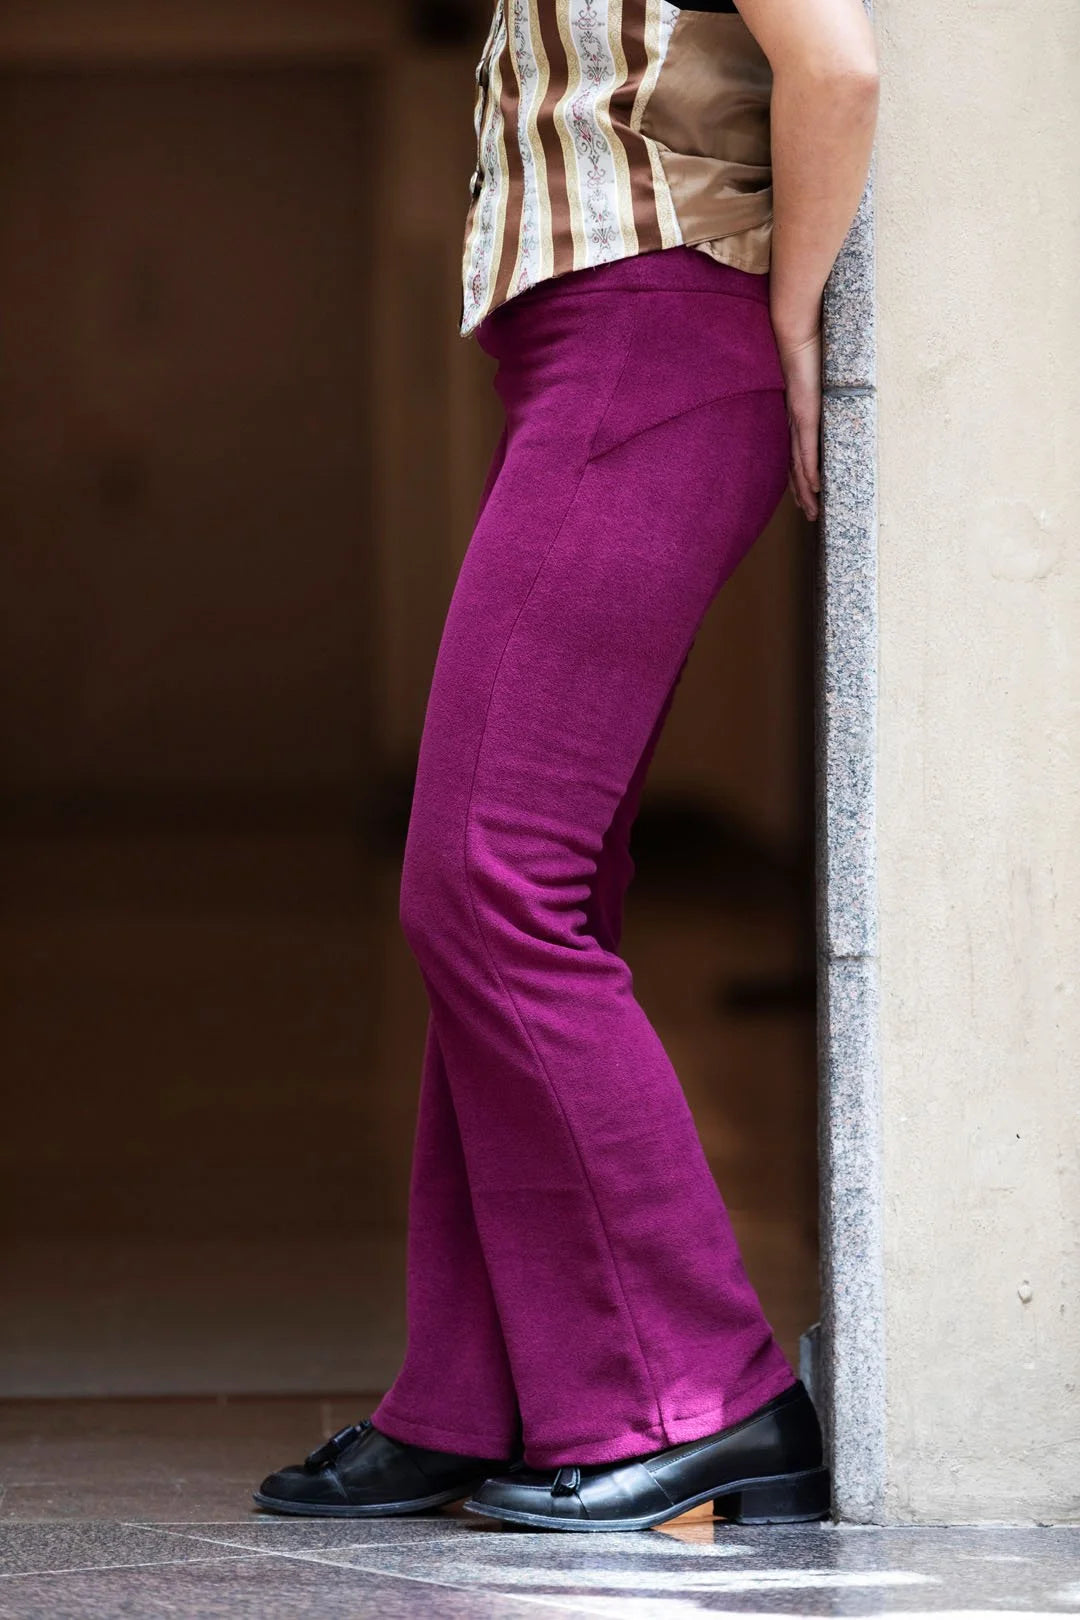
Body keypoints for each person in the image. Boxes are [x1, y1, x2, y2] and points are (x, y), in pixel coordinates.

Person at [255, 0, 878, 1531]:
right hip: (579, 347)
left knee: (489, 880)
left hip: (656, 321)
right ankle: (475, 1396)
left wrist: (798, 313)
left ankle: (705, 1393)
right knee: (532, 883)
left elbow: (836, 61)